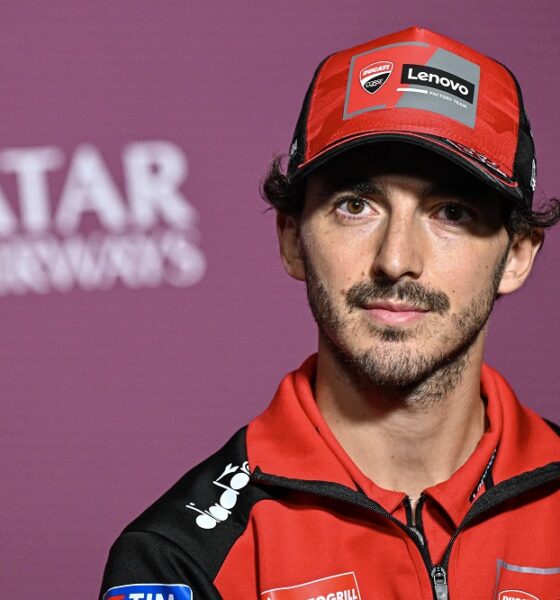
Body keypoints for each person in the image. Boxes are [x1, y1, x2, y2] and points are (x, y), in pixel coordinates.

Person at [99, 26, 560, 600]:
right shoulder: (180, 559)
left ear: (517, 256)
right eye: (356, 206)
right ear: (292, 239)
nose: (396, 260)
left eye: (452, 212)